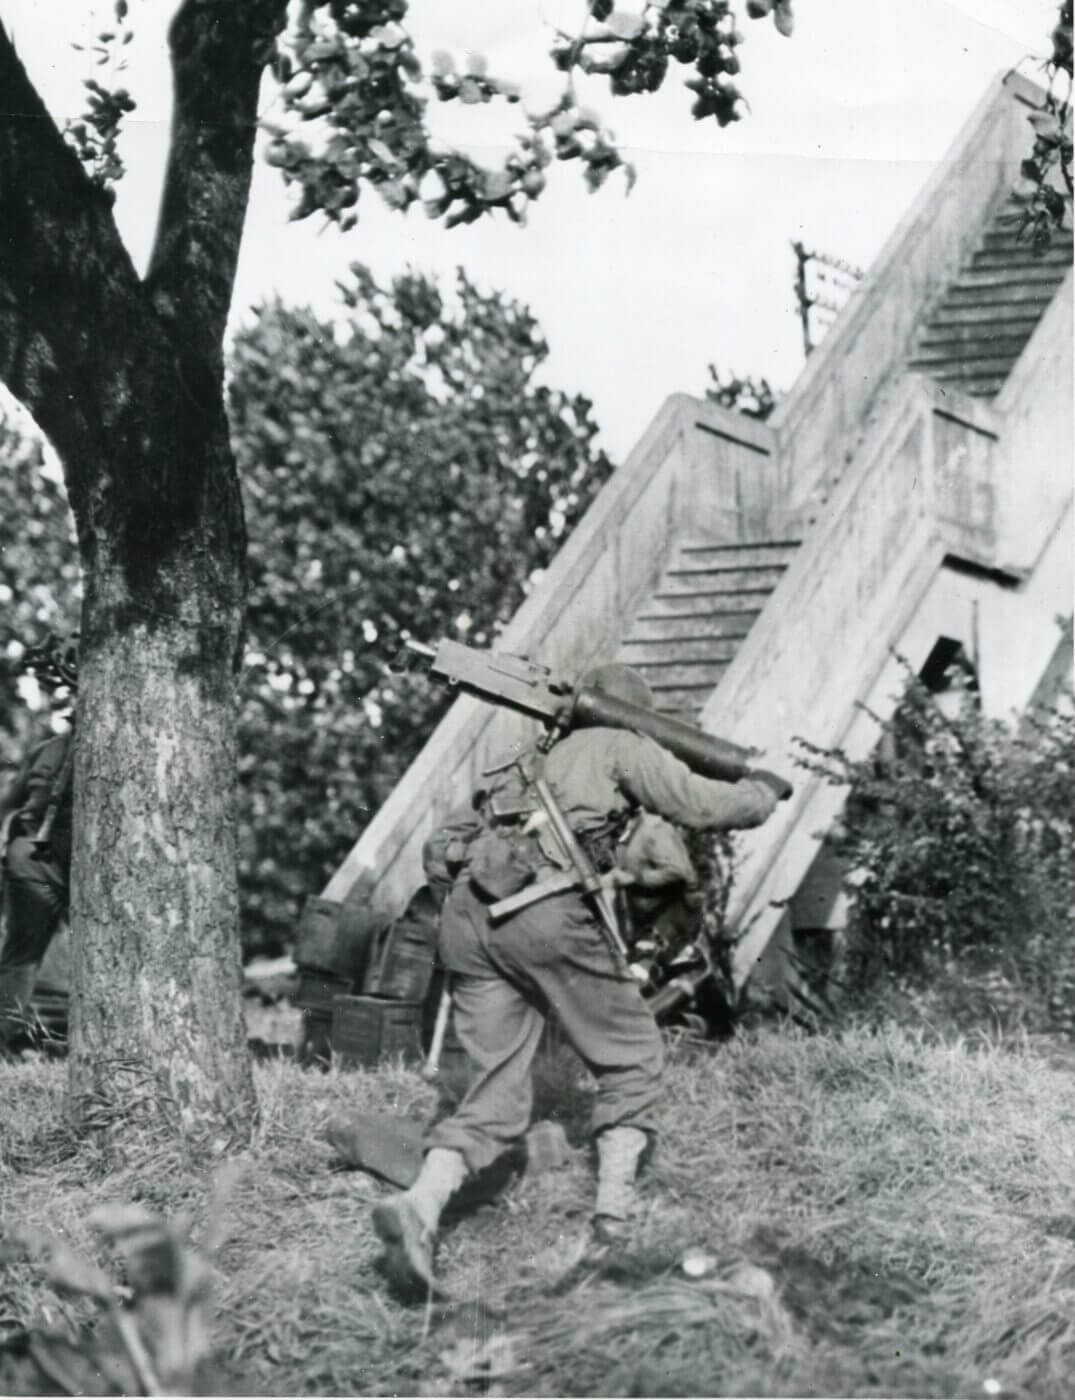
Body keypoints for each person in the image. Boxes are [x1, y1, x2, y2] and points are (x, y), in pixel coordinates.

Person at [371, 662, 790, 1295]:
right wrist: (761, 791)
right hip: (543, 912)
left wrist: (479, 917)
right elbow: (702, 806)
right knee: (632, 1055)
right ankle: (612, 1225)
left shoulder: (518, 763)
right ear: (631, 715)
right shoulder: (621, 745)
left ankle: (422, 1205)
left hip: (466, 920)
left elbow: (440, 850)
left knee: (492, 1092)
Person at [0, 644, 76, 1048]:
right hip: (45, 860)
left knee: (21, 957)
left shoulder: (45, 750)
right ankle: (8, 1040)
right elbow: (9, 805)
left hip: (36, 859)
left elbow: (7, 805)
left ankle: (10, 1043)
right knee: (22, 958)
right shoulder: (50, 752)